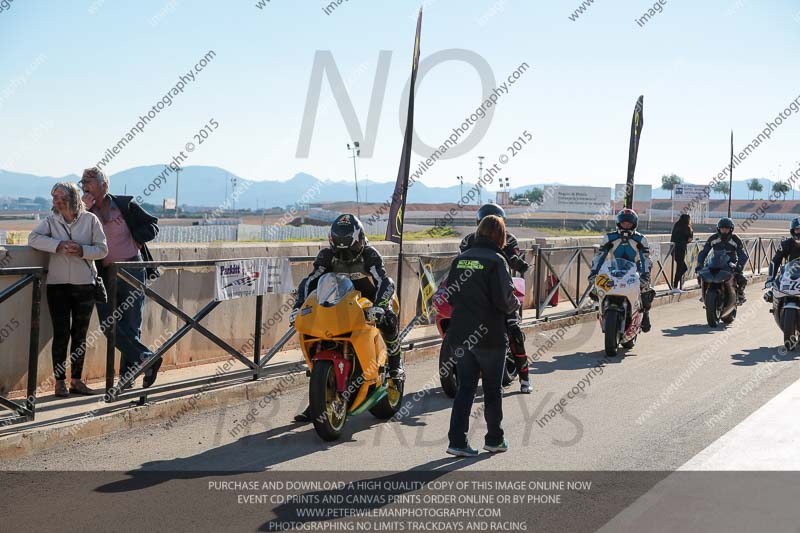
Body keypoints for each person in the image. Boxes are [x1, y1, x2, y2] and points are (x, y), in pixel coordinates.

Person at [290, 214, 402, 423]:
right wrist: (298, 307)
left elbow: (384, 281)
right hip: (340, 303)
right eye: (340, 250)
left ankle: (395, 367)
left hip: (368, 301)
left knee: (388, 321)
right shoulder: (326, 256)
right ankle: (321, 396)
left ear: (359, 240)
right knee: (319, 337)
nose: (344, 254)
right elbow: (310, 281)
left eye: (349, 248)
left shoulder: (370, 255)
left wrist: (380, 306)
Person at [79, 167, 162, 389]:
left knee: (132, 324)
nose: (83, 185)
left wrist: (137, 239)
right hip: (104, 274)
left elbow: (152, 227)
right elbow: (69, 228)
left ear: (103, 185)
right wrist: (83, 210)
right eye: (82, 182)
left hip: (133, 268)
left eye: (88, 181)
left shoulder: (124, 205)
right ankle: (147, 358)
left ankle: (127, 378)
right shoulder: (84, 210)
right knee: (108, 324)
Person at [445, 214, 519, 456]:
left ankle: (457, 442)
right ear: (501, 236)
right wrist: (514, 306)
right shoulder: (498, 261)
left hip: (460, 334)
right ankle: (494, 439)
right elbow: (505, 299)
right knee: (492, 389)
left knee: (465, 388)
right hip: (490, 336)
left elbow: (451, 296)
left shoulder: (461, 259)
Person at [28, 182, 108, 397]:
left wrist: (82, 250)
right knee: (61, 334)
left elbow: (102, 249)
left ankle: (77, 381)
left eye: (59, 197)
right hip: (57, 286)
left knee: (80, 335)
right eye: (53, 196)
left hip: (84, 285)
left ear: (71, 198)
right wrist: (57, 245)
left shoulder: (90, 220)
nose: (55, 201)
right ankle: (59, 382)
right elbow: (33, 238)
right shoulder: (51, 220)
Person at [459, 203, 531, 393]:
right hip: (475, 289)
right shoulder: (468, 240)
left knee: (513, 329)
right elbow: (460, 260)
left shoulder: (510, 240)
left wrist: (512, 257)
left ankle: (524, 376)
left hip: (501, 288)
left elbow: (517, 260)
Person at [588, 208, 655, 332]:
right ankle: (601, 309)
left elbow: (646, 259)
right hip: (614, 268)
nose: (626, 225)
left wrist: (645, 275)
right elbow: (599, 256)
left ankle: (645, 314)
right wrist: (593, 273)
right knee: (595, 289)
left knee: (647, 290)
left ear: (634, 224)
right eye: (624, 223)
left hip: (635, 269)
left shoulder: (641, 239)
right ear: (618, 223)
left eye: (629, 223)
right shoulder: (609, 237)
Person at [696, 217, 748, 304]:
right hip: (715, 262)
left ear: (731, 229)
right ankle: (705, 293)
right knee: (701, 275)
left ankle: (740, 294)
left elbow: (742, 254)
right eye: (722, 228)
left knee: (741, 279)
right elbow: (704, 252)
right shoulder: (713, 238)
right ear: (718, 229)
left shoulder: (735, 239)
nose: (724, 230)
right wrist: (700, 264)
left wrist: (739, 266)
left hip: (730, 264)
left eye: (726, 228)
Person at [764, 217, 800, 303]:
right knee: (774, 289)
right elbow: (775, 261)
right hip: (789, 274)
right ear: (792, 230)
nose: (799, 232)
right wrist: (770, 279)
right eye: (797, 229)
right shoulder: (785, 244)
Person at [670, 213, 693, 293]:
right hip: (681, 249)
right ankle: (675, 286)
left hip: (673, 249)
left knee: (681, 267)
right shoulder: (687, 228)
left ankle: (676, 285)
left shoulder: (676, 225)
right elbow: (690, 239)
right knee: (681, 268)